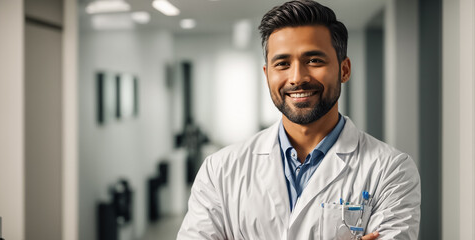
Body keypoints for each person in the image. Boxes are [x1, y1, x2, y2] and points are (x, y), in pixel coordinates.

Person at [177, 0, 421, 239]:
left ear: (344, 69)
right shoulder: (219, 170)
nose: (297, 77)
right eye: (282, 63)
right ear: (267, 75)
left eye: (314, 60)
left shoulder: (392, 171)